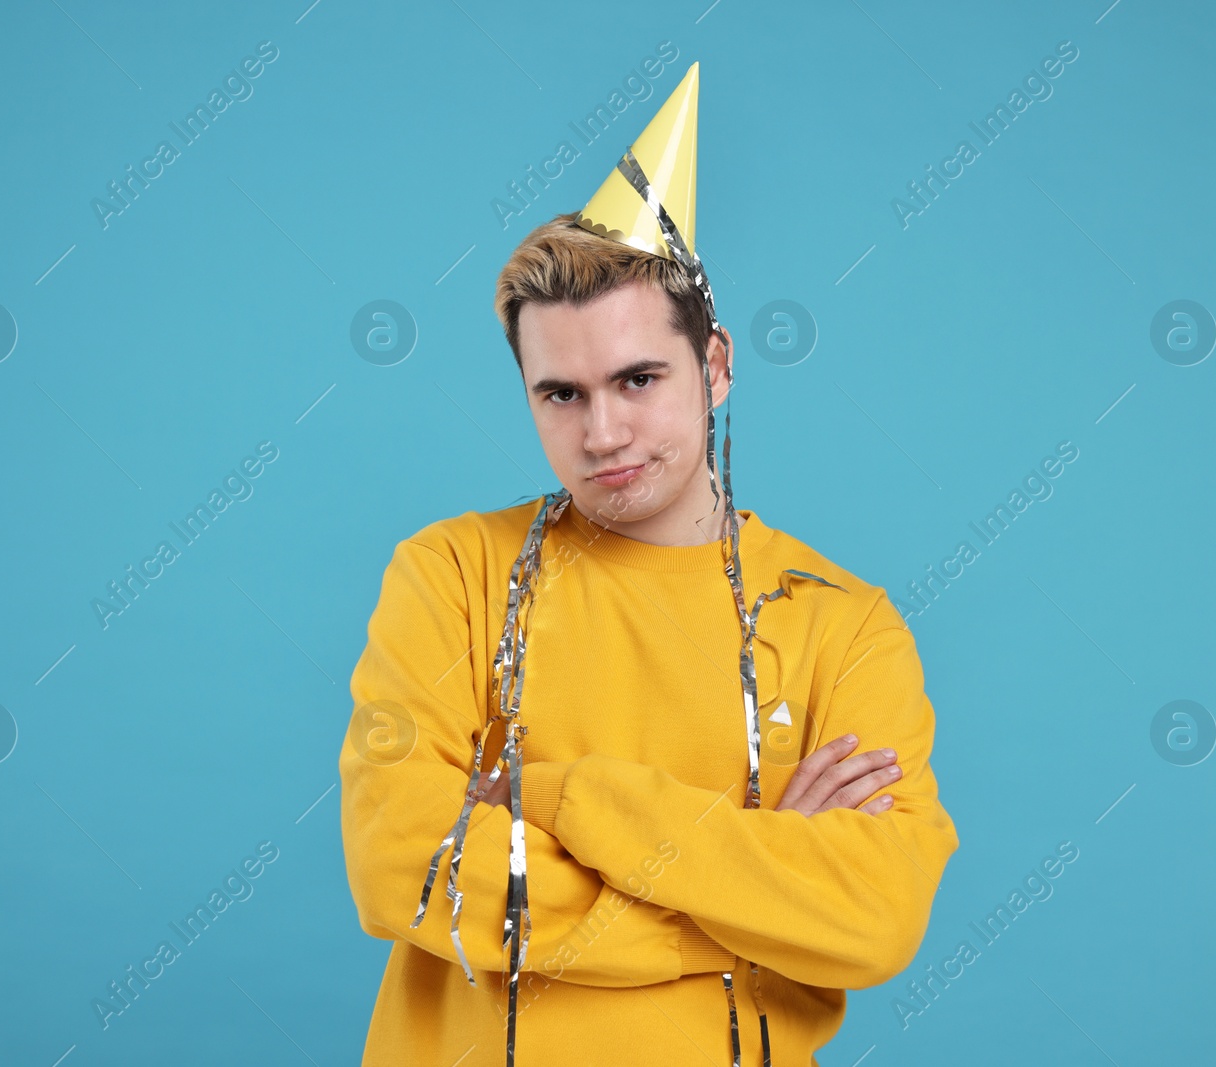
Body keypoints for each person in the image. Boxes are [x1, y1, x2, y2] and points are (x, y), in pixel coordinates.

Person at [339, 62, 959, 1066]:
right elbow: (405, 871)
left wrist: (551, 795)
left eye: (637, 378)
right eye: (561, 394)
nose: (604, 430)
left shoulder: (841, 623)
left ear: (713, 366)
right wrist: (747, 907)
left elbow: (874, 917)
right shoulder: (448, 574)